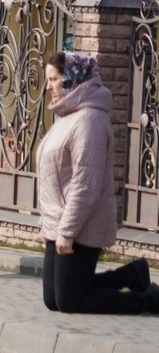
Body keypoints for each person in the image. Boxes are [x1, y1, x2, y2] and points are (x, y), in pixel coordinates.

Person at [37, 51, 158, 314]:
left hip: (79, 224)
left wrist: (67, 231)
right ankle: (132, 275)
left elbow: (85, 183)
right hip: (58, 222)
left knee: (70, 300)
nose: (48, 87)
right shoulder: (67, 117)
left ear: (72, 80)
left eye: (54, 79)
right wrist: (48, 224)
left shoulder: (89, 120)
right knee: (53, 299)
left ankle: (148, 300)